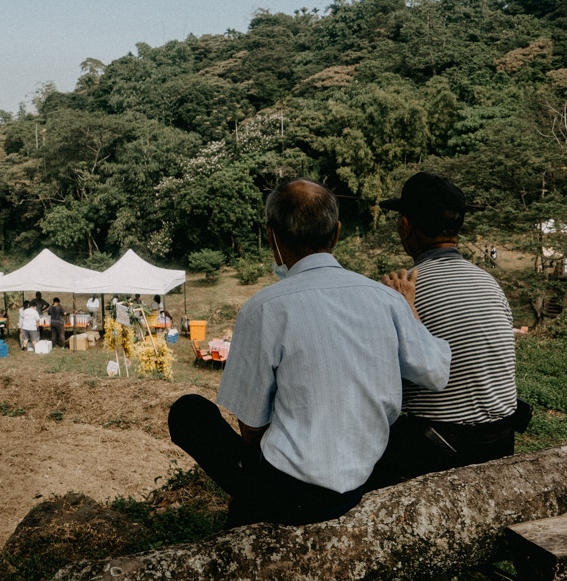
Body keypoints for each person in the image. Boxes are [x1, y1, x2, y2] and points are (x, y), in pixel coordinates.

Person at [168, 178, 451, 528]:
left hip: (290, 493)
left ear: (272, 238)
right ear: (336, 234)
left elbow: (252, 428)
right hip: (363, 477)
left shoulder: (264, 309)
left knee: (188, 412)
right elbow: (437, 372)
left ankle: (253, 512)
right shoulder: (388, 299)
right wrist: (408, 309)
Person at [368, 172, 522, 489]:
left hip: (439, 447)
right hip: (502, 440)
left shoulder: (403, 289)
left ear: (406, 226)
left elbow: (377, 383)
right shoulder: (489, 284)